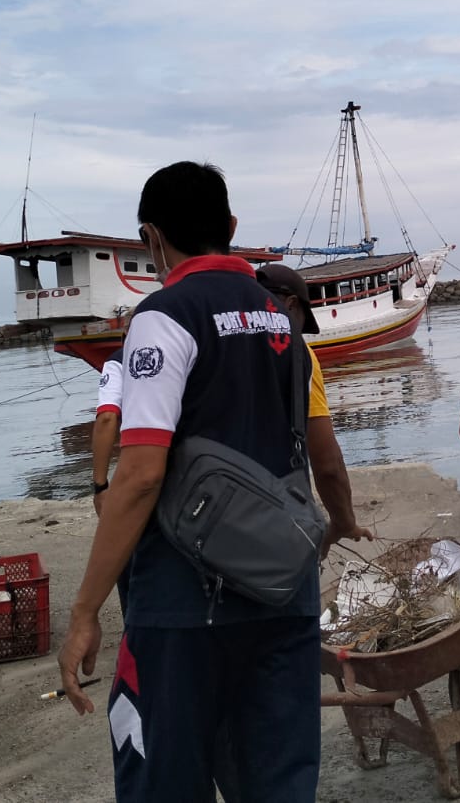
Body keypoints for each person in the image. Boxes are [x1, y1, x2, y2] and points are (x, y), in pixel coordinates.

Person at [56, 162, 328, 802]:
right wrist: (332, 524)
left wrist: (84, 611)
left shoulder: (162, 316)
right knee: (277, 781)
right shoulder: (282, 318)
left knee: (163, 779)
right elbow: (319, 451)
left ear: (151, 239)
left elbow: (142, 473)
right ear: (231, 227)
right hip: (285, 590)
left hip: (185, 607)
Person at [254, 263, 373, 558]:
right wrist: (344, 522)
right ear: (291, 305)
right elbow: (327, 463)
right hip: (276, 517)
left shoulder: (215, 338)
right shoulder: (297, 354)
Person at [90, 355, 131, 616]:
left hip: (138, 463)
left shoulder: (118, 361)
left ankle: (134, 628)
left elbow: (107, 417)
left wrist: (100, 485)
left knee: (125, 547)